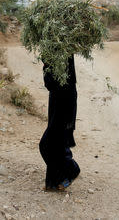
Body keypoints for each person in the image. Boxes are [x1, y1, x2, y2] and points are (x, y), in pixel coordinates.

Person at [39, 55, 80, 191]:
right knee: (56, 143)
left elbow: (51, 82)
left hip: (64, 99)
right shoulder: (59, 51)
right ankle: (55, 182)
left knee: (47, 143)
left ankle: (71, 170)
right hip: (59, 98)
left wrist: (47, 65)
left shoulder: (60, 54)